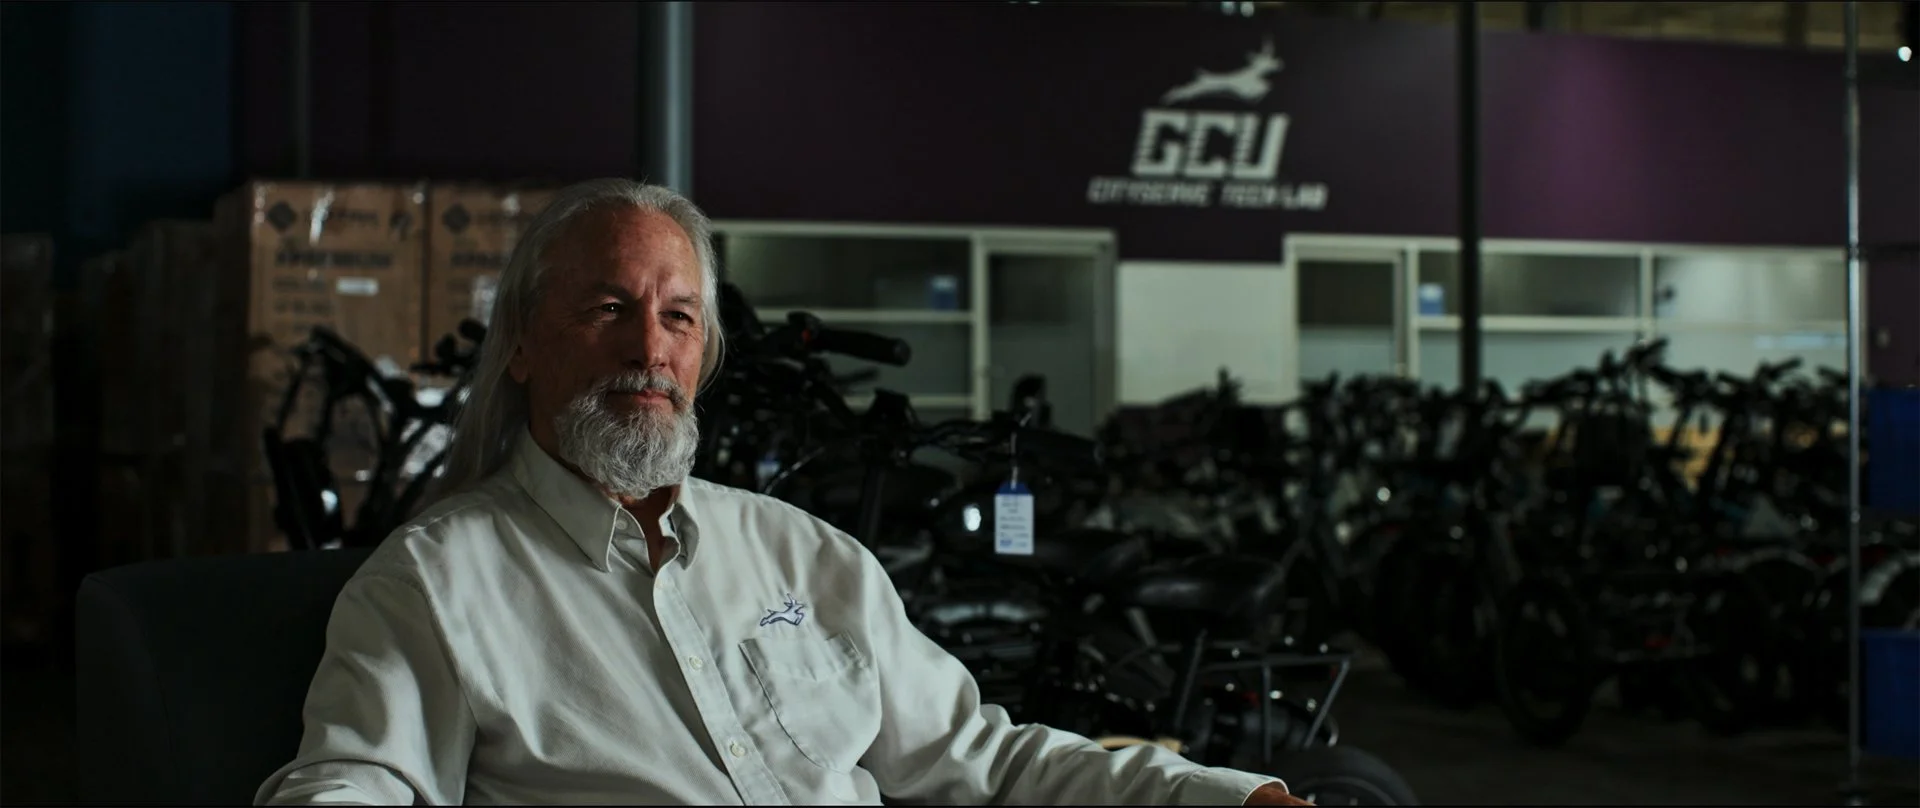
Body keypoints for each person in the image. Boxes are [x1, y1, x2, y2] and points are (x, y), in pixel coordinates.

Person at [255, 179, 1312, 806]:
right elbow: (360, 780)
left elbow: (978, 755)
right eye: (609, 309)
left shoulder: (808, 556)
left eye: (677, 318)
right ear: (523, 344)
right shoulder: (436, 584)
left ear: (705, 350)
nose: (647, 350)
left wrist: (1224, 793)